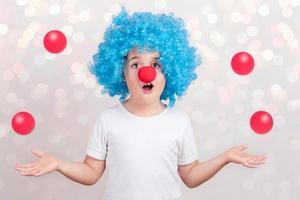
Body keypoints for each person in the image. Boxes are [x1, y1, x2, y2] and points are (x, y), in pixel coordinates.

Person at [15, 6, 267, 200]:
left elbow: (190, 176)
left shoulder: (179, 122)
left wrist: (225, 157)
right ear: (120, 73)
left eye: (155, 64)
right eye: (136, 64)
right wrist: (59, 164)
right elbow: (91, 172)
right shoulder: (108, 120)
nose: (146, 72)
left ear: (170, 71)